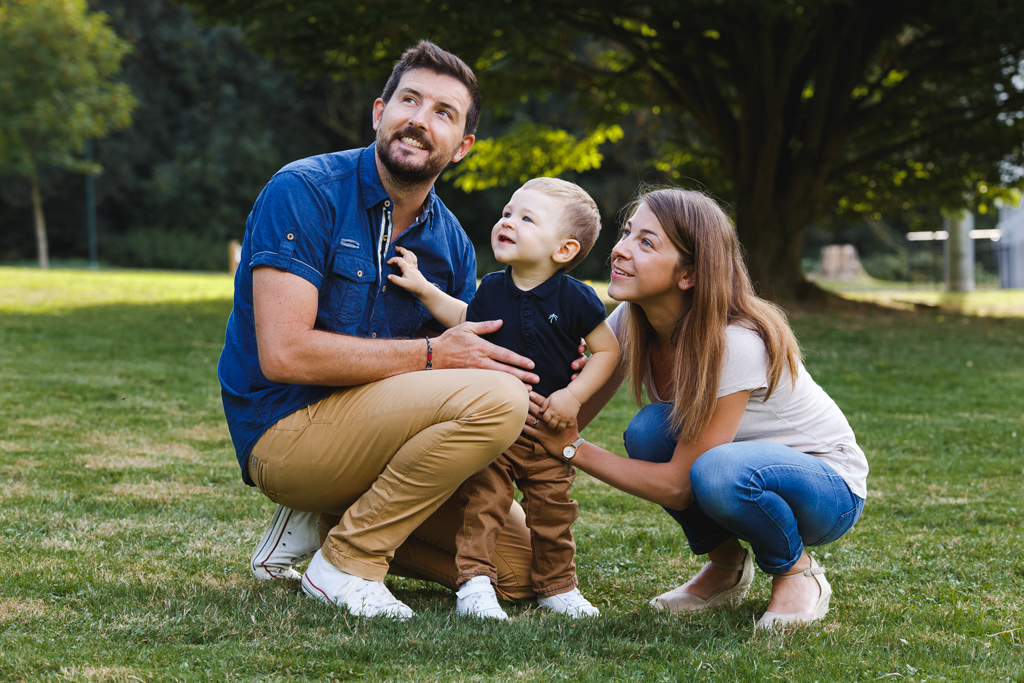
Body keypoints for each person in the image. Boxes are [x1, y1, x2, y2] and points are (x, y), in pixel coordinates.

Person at [219, 41, 543, 620]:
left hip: (381, 440)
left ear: (463, 146)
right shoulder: (305, 191)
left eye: (444, 112)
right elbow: (284, 354)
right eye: (409, 101)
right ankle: (347, 561)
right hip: (287, 429)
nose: (419, 120)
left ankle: (326, 520)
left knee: (521, 572)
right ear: (379, 112)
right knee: (496, 398)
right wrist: (432, 354)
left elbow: (468, 360)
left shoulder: (452, 246)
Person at [523, 187, 868, 629]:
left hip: (826, 487)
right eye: (627, 233)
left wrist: (572, 449)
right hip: (733, 467)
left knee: (717, 472)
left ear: (688, 275)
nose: (620, 250)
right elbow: (564, 415)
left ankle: (797, 573)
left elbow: (678, 486)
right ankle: (725, 569)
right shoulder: (630, 322)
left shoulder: (735, 343)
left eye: (646, 243)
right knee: (649, 430)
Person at [387, 177, 619, 619]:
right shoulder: (493, 288)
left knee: (553, 514)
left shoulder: (576, 299)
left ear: (564, 250)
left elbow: (608, 351)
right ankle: (474, 584)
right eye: (508, 213)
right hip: (497, 430)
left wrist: (574, 396)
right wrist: (421, 287)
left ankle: (558, 587)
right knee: (484, 506)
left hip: (549, 432)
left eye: (527, 218)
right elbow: (465, 319)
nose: (507, 222)